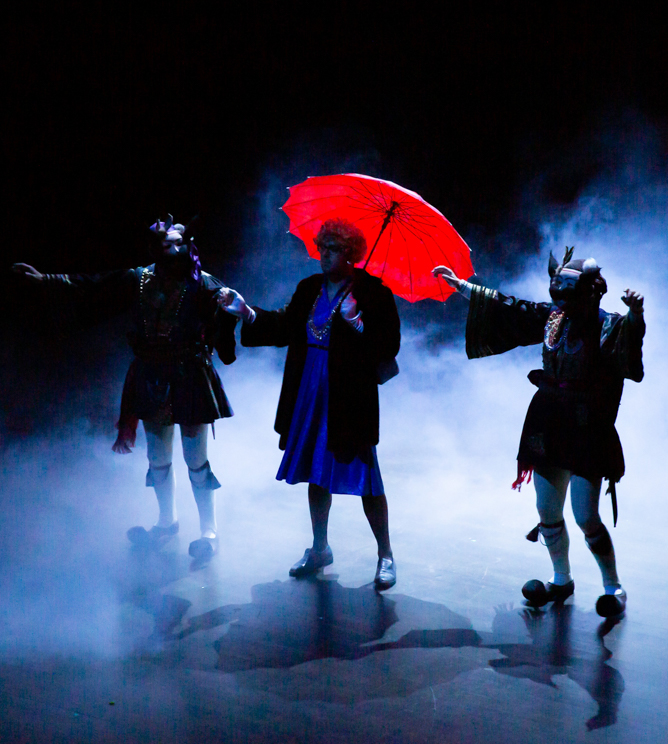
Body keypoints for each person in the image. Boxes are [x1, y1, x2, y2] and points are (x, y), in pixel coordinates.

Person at [12, 216, 239, 562]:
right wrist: (47, 280)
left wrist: (227, 313)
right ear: (155, 248)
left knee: (195, 460)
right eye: (166, 243)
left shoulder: (203, 284)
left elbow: (227, 320)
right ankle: (167, 522)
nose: (173, 249)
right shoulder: (139, 279)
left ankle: (209, 532)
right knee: (157, 458)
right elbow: (95, 284)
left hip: (189, 375)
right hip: (151, 374)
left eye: (179, 243)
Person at [433, 249, 645, 617]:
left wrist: (636, 315)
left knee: (586, 516)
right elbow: (510, 308)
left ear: (591, 292)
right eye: (558, 291)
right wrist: (462, 287)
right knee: (547, 509)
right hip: (548, 422)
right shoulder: (553, 319)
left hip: (587, 427)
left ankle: (614, 587)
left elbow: (630, 352)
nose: (561, 299)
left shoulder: (608, 326)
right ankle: (561, 579)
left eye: (569, 292)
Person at [220, 218, 401, 589]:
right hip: (310, 389)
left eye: (333, 248)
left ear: (350, 253)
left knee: (367, 477)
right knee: (317, 472)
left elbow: (389, 346)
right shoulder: (310, 288)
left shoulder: (373, 293)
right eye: (323, 247)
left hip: (349, 395)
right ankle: (320, 548)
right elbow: (285, 326)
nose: (325, 254)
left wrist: (358, 322)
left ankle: (385, 553)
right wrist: (247, 312)